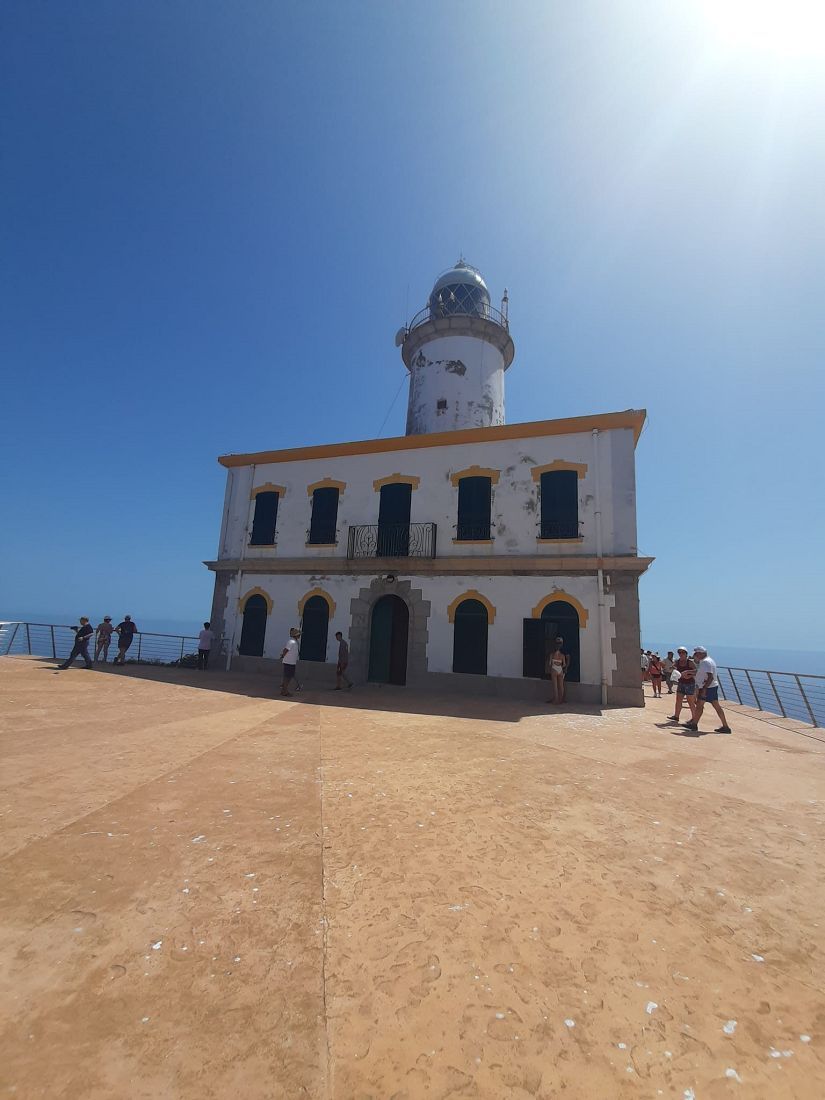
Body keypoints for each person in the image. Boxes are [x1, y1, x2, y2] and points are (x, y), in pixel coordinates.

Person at [683, 646, 732, 734]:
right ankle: (725, 726)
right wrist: (689, 673)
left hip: (707, 688)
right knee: (711, 706)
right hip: (711, 687)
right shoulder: (707, 661)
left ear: (701, 653)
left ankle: (694, 724)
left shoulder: (706, 662)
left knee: (700, 705)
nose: (695, 655)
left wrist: (704, 689)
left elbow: (710, 676)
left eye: (697, 653)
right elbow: (701, 673)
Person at [668, 647, 697, 724]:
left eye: (683, 652)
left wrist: (689, 675)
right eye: (679, 653)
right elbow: (673, 667)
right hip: (681, 683)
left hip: (690, 683)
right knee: (678, 700)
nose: (681, 654)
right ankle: (676, 716)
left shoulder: (690, 662)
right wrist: (672, 668)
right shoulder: (677, 662)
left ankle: (694, 718)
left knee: (690, 701)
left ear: (686, 654)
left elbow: (696, 671)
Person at [545, 637, 569, 704]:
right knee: (561, 685)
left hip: (554, 669)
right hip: (560, 669)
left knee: (555, 685)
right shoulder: (562, 655)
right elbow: (564, 664)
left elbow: (550, 663)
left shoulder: (552, 654)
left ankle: (556, 699)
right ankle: (561, 699)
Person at [279, 627, 301, 697]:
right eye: (299, 634)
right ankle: (284, 691)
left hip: (291, 662)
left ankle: (284, 690)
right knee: (287, 677)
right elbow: (285, 650)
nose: (300, 636)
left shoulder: (294, 641)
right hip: (289, 662)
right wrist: (283, 656)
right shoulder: (291, 642)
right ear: (296, 635)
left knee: (289, 676)